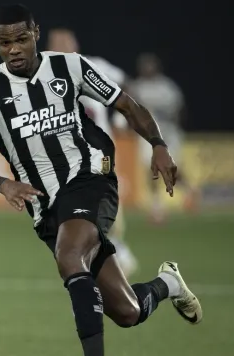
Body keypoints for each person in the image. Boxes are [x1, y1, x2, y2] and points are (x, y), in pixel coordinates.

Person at [0, 4, 203, 356]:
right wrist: (3, 184)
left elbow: (126, 103)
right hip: (46, 206)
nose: (14, 49)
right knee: (127, 312)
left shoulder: (69, 67)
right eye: (5, 42)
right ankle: (170, 284)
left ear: (36, 32)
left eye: (21, 39)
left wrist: (158, 144)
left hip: (90, 178)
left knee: (70, 256)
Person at [45, 27, 139, 277]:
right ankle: (102, 252)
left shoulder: (93, 65)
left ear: (75, 42)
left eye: (65, 40)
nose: (61, 45)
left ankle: (116, 250)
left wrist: (121, 120)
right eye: (56, 42)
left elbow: (125, 82)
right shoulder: (44, 74)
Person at [118, 53, 197, 223]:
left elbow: (180, 110)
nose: (148, 70)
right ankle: (157, 208)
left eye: (150, 66)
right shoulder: (137, 87)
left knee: (171, 167)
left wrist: (175, 125)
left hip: (168, 132)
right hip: (149, 134)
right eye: (145, 67)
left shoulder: (167, 87)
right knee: (150, 168)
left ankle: (190, 191)